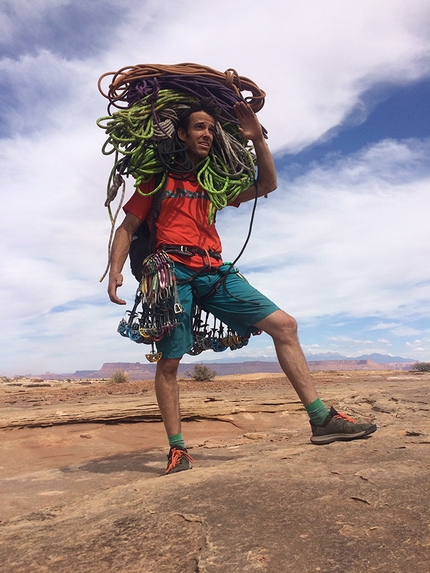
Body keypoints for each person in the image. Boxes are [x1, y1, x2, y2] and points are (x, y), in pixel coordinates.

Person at [107, 99, 377, 474]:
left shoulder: (213, 182)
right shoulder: (158, 179)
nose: (207, 133)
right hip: (172, 272)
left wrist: (256, 141)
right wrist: (115, 268)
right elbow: (127, 228)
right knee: (170, 362)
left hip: (214, 271)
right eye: (199, 127)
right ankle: (177, 449)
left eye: (211, 128)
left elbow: (268, 184)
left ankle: (321, 420)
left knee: (285, 325)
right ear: (182, 133)